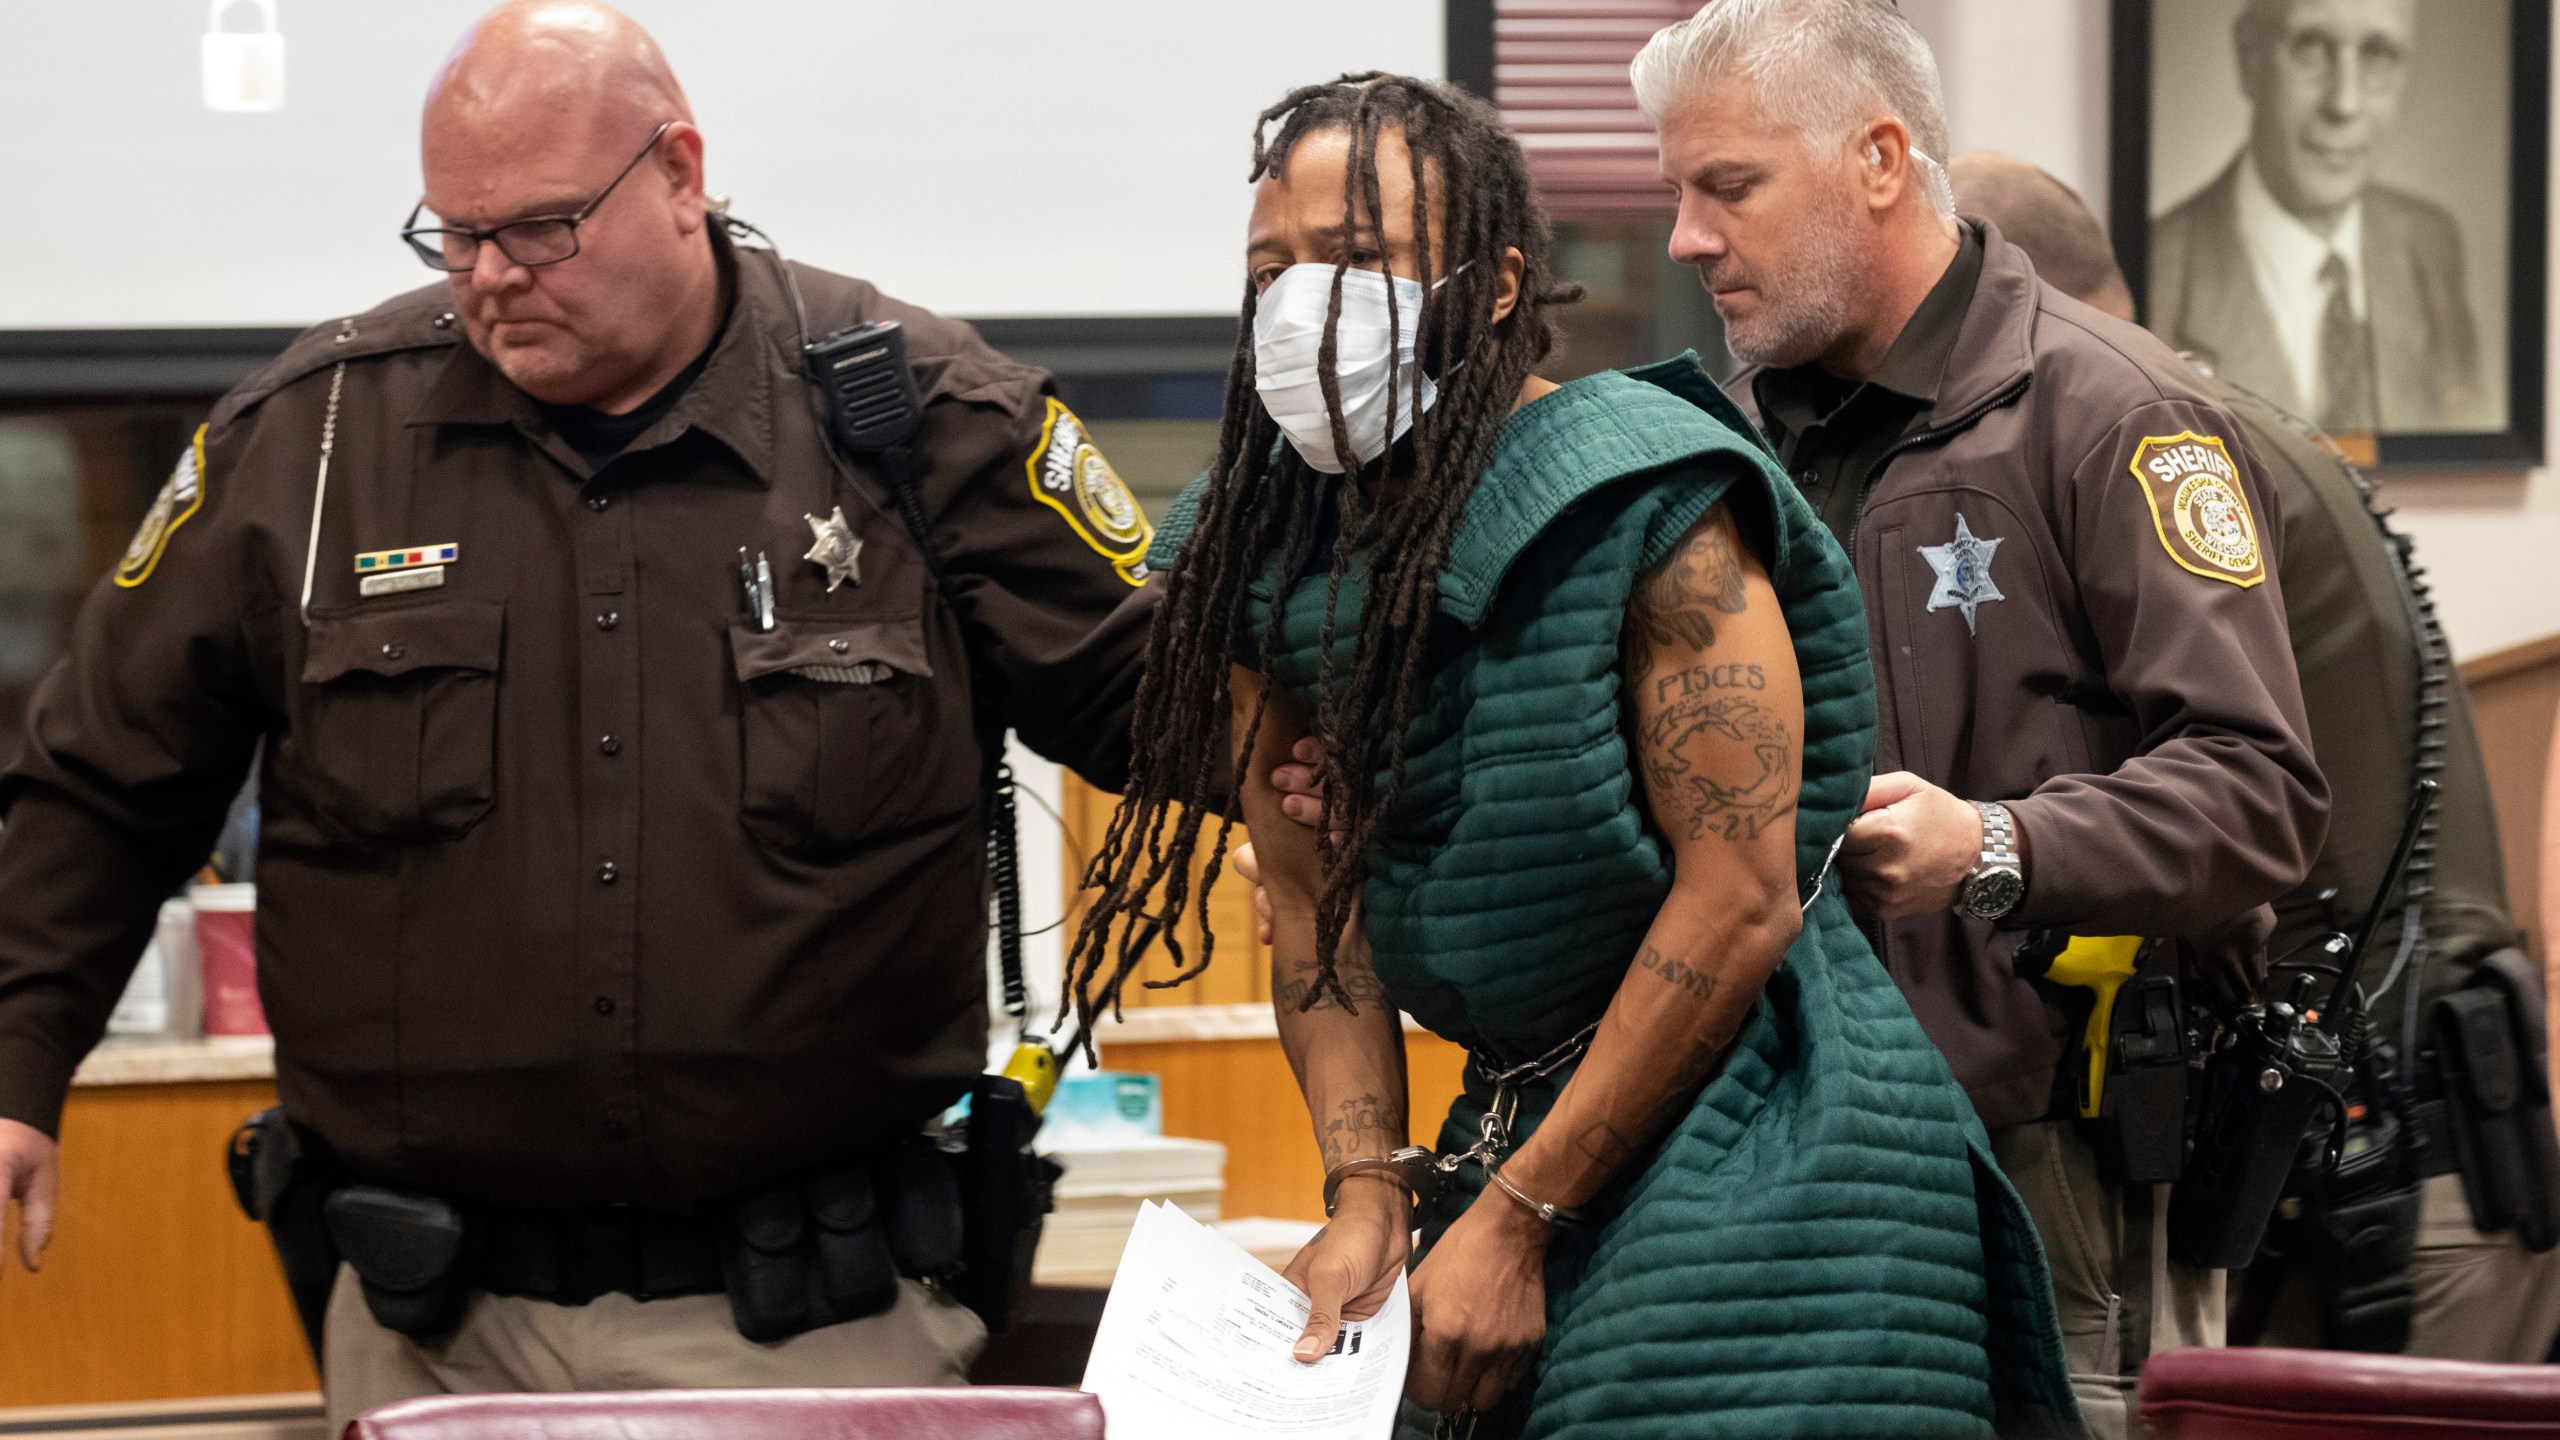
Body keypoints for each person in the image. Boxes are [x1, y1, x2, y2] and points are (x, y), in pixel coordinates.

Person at [0, 2, 1156, 1428]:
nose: (490, 278)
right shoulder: (310, 445)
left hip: (808, 1326)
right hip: (430, 1329)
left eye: (540, 228)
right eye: (453, 233)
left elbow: (1159, 707)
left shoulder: (919, 420)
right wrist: (19, 1064)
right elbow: (101, 783)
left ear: (681, 172)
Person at [1071, 72, 2081, 1440]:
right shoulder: (1264, 549)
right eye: (1275, 267)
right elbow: (1309, 901)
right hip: (1515, 1122)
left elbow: (1740, 896)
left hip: (1768, 1149)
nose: (1307, 298)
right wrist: (1367, 1190)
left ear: (1492, 287)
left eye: (1358, 259)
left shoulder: (1645, 495)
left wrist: (1523, 1214)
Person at [1628, 3, 2329, 1434]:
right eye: (1677, 194)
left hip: (2051, 1157)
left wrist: (1999, 843)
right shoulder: (1740, 434)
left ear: (1880, 159)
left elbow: (2260, 787)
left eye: (1729, 186)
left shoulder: (2115, 413)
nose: (1689, 238)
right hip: (1797, 1150)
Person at [1951, 149, 2560, 1365]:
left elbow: (2240, 802)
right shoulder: (2227, 419)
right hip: (2405, 1107)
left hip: (2384, 1140)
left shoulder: (2157, 435)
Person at [2148, 0, 2484, 432]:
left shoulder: (2432, 243)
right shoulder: (2155, 276)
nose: (2344, 103)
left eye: (2378, 55)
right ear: (2250, 59)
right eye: (2310, 48)